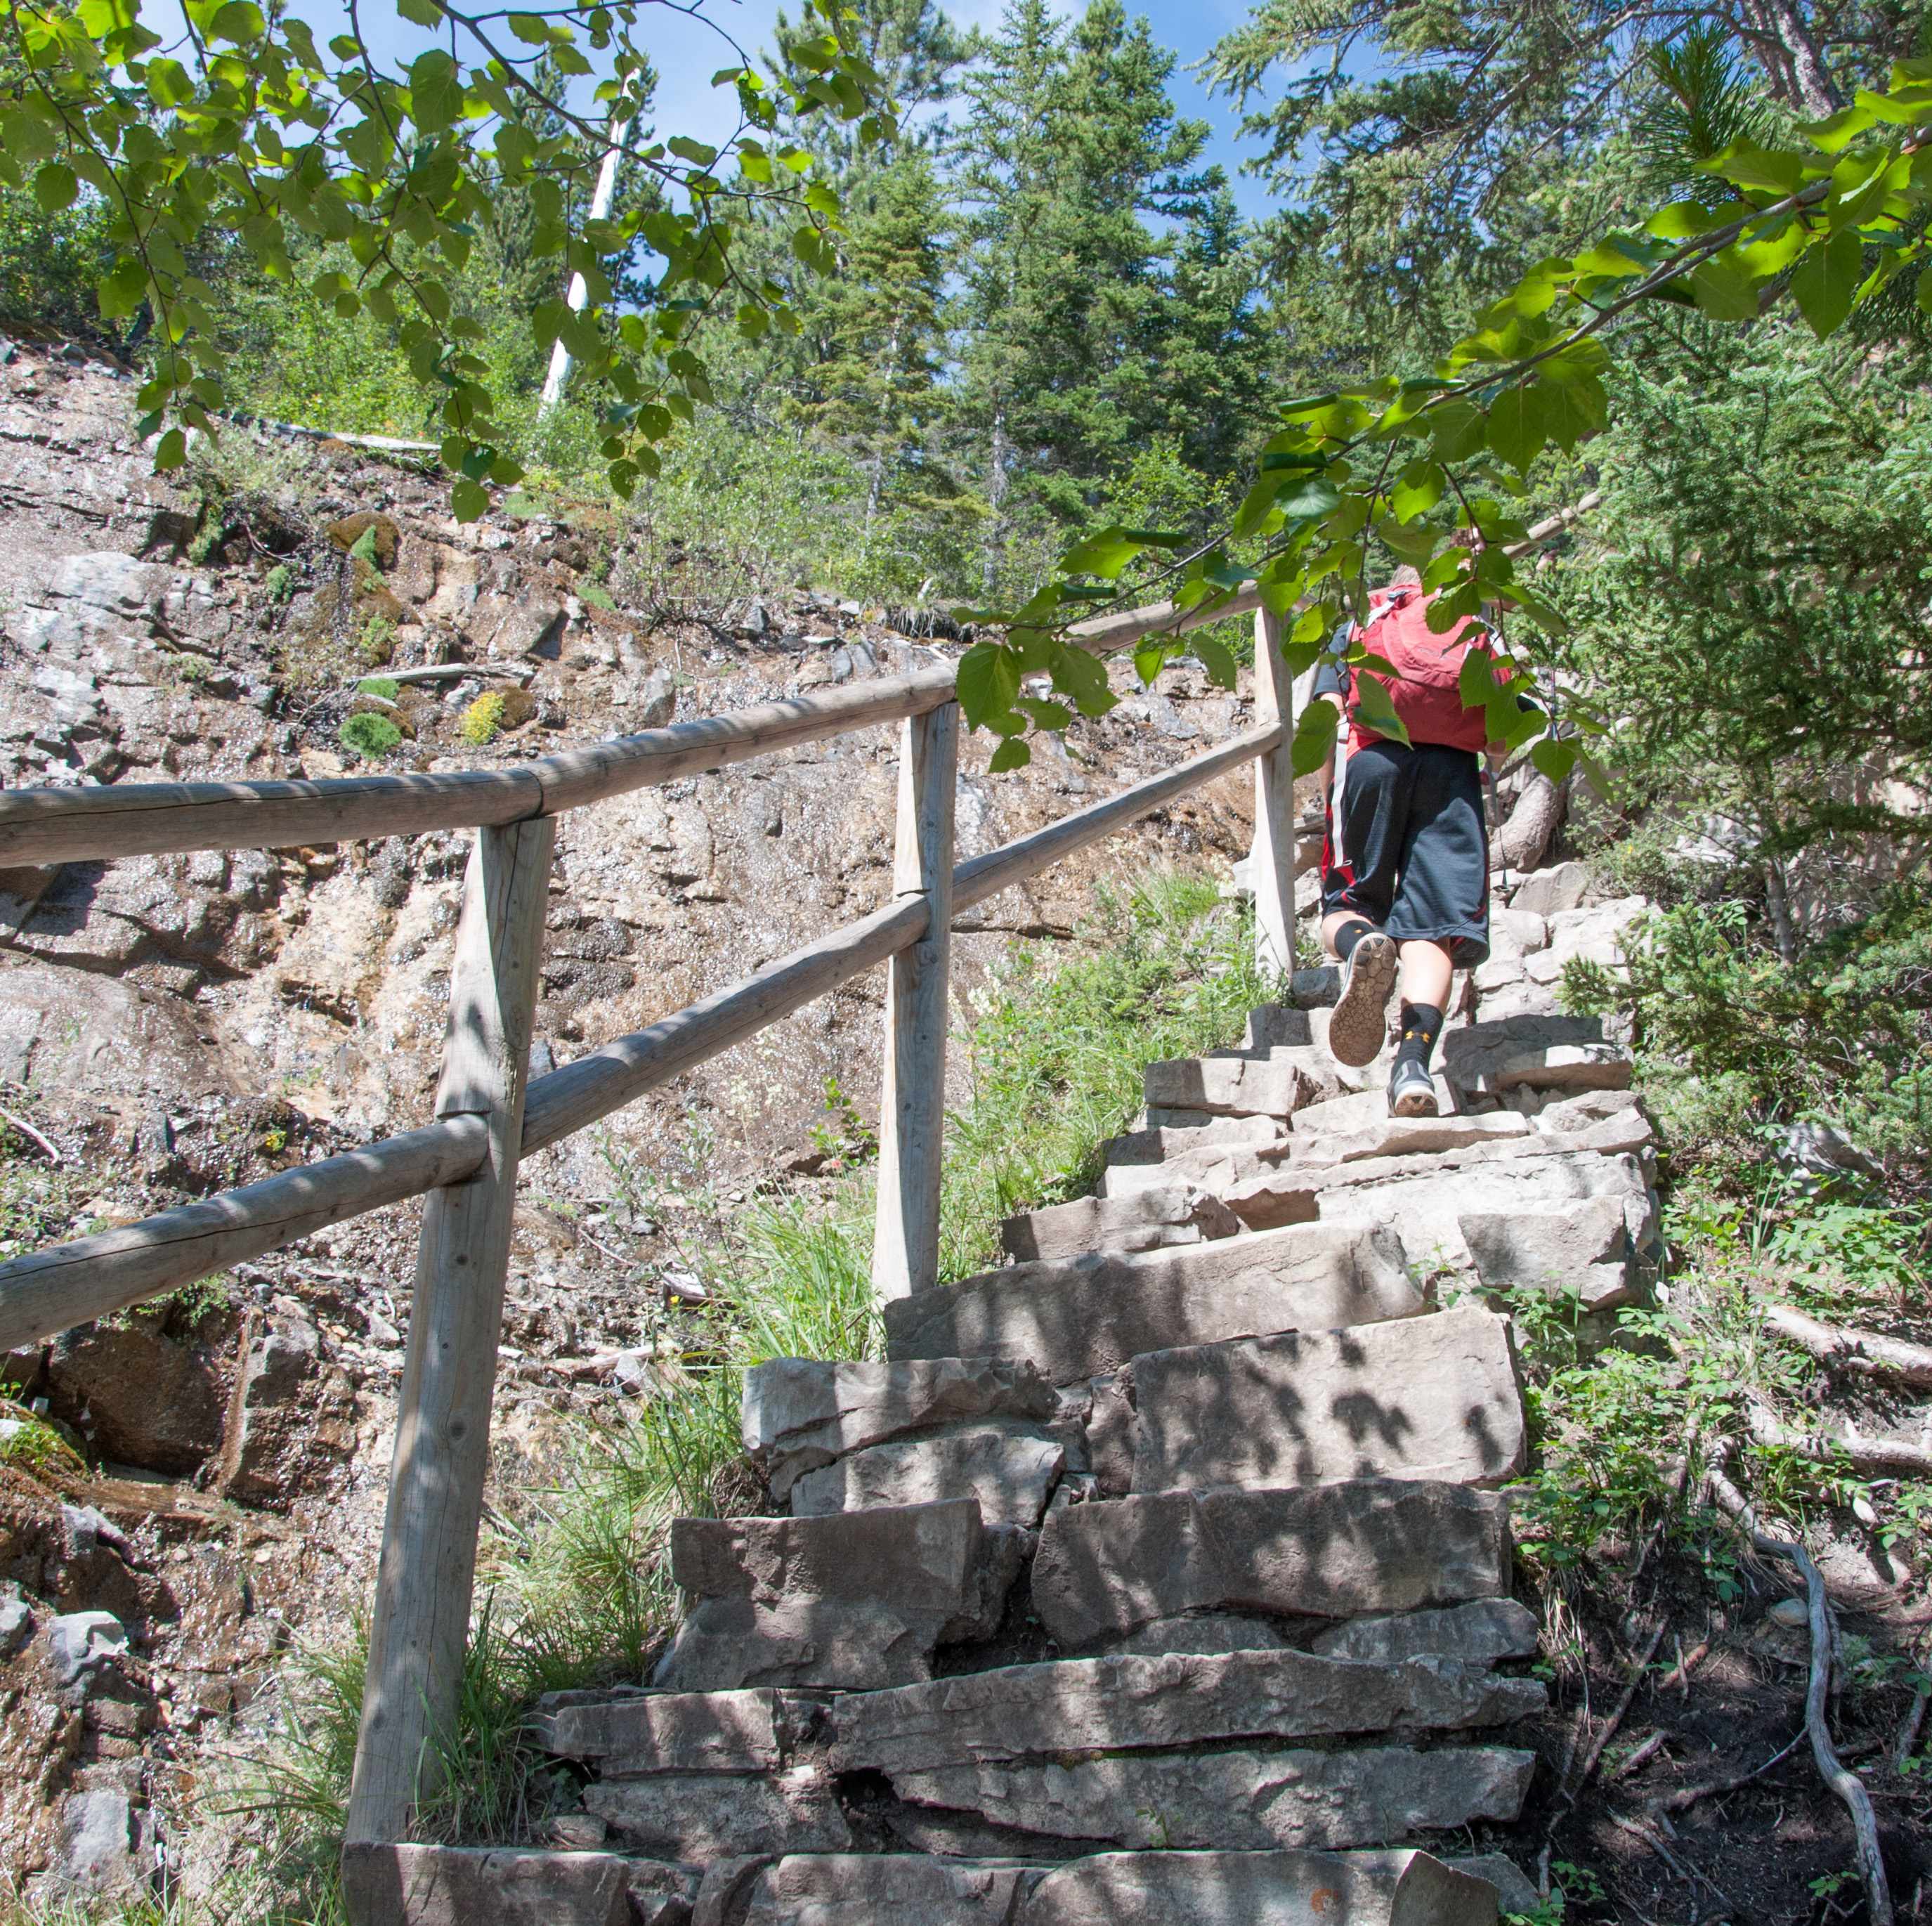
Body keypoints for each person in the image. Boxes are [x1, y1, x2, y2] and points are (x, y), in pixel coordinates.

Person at [1312, 562, 1506, 1115]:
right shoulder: (1473, 629)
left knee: (1347, 902)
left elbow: (1327, 715)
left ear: (1395, 587)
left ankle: (1360, 950)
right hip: (1451, 776)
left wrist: (1331, 796)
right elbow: (1502, 744)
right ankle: (1413, 1066)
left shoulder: (1362, 621)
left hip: (1372, 758)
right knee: (1435, 929)